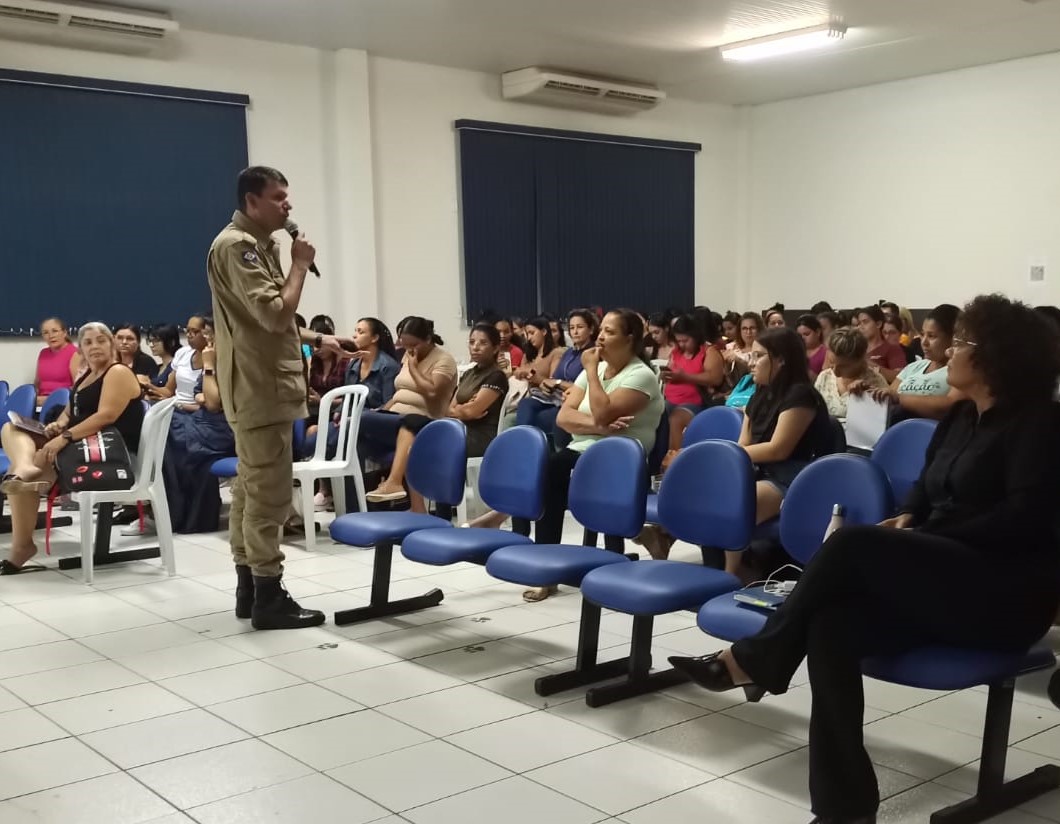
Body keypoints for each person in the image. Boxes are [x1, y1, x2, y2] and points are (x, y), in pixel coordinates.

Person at [669, 294, 1060, 824]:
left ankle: (756, 658)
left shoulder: (1041, 424)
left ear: (996, 358)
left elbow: (1024, 520)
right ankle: (844, 808)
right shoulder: (962, 415)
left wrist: (924, 531)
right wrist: (908, 518)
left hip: (1001, 594)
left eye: (963, 342)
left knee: (852, 542)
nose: (949, 353)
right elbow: (926, 487)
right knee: (831, 628)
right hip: (943, 575)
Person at [207, 165, 323, 630]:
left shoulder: (254, 245)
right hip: (260, 389)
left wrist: (323, 341)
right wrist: (299, 264)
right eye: (278, 197)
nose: (287, 205)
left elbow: (268, 321)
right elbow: (275, 313)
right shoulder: (238, 247)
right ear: (252, 201)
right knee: (269, 495)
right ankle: (269, 595)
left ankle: (248, 589)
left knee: (249, 490)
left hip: (258, 383)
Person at [523, 309, 664, 602]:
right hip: (584, 450)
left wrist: (589, 372)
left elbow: (601, 410)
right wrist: (601, 427)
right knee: (549, 469)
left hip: (623, 457)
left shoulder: (641, 376)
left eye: (610, 332)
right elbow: (563, 418)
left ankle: (619, 555)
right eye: (601, 330)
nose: (600, 337)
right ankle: (547, 571)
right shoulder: (598, 370)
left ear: (630, 338)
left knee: (572, 472)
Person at [0, 322, 144, 574]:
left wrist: (63, 437)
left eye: (101, 340)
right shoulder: (87, 375)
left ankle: (22, 544)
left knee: (24, 471)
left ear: (111, 345)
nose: (95, 346)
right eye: (88, 343)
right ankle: (24, 469)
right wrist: (57, 425)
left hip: (112, 457)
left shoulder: (117, 372)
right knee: (11, 429)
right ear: (81, 350)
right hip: (82, 446)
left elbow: (105, 417)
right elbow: (70, 412)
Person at [366, 324, 509, 506]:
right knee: (413, 437)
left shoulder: (497, 376)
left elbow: (470, 411)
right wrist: (464, 411)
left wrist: (465, 410)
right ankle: (416, 507)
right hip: (458, 429)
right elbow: (451, 409)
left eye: (483, 343)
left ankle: (414, 496)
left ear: (496, 347)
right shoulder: (469, 374)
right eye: (472, 342)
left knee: (416, 431)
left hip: (479, 436)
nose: (475, 347)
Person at [731, 327, 831, 577]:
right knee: (712, 489)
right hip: (760, 471)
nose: (750, 363)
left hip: (792, 477)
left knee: (733, 501)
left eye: (758, 356)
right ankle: (732, 569)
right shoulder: (759, 394)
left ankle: (729, 575)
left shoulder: (800, 395)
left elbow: (778, 449)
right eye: (750, 356)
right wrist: (726, 461)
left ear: (781, 360)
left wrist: (732, 457)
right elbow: (743, 442)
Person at [358, 316, 458, 466]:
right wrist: (381, 410)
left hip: (422, 421)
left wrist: (413, 368)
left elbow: (432, 392)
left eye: (414, 345)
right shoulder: (409, 354)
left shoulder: (443, 360)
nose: (409, 350)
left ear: (428, 339)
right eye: (405, 346)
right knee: (359, 438)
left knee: (362, 419)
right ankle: (360, 487)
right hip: (396, 417)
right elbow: (400, 393)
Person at [160, 339, 235, 533]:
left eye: (213, 339)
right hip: (204, 421)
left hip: (226, 428)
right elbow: (199, 394)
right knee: (165, 432)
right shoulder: (215, 361)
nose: (210, 346)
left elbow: (212, 404)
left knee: (181, 441)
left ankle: (189, 516)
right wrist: (205, 396)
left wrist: (209, 367)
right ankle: (171, 512)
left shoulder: (231, 364)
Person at [514, 309, 599, 441]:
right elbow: (553, 379)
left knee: (542, 418)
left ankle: (528, 447)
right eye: (571, 328)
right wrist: (546, 384)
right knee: (526, 404)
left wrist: (557, 383)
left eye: (580, 327)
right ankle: (523, 445)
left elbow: (586, 385)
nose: (575, 332)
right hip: (554, 396)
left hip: (574, 400)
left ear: (591, 329)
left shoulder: (593, 354)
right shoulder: (569, 353)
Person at [868, 304, 962, 420]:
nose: (924, 342)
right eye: (923, 334)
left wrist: (900, 399)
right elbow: (888, 397)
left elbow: (949, 406)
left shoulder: (959, 371)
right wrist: (864, 391)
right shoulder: (913, 367)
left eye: (932, 336)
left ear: (952, 339)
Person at [661, 314, 724, 461]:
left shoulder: (709, 352)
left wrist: (685, 376)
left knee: (675, 418)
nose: (682, 344)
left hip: (698, 403)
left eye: (686, 340)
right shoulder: (676, 352)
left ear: (695, 337)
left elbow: (715, 378)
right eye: (679, 341)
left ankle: (675, 462)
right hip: (671, 399)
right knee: (658, 414)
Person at [814, 328, 888, 419]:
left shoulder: (876, 382)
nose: (835, 371)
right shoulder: (824, 377)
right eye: (831, 363)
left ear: (861, 360)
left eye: (844, 366)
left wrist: (866, 396)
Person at [155, 316, 207, 407]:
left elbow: (212, 405)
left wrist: (181, 406)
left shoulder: (216, 360)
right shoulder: (183, 353)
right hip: (176, 407)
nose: (189, 335)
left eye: (195, 331)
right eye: (187, 331)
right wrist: (149, 387)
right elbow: (168, 390)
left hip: (196, 413)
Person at [34, 316, 81, 405]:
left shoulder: (74, 353)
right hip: (40, 403)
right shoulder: (43, 353)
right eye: (46, 333)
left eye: (54, 331)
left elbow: (79, 387)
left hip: (63, 403)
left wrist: (50, 399)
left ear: (64, 333)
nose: (51, 336)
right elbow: (37, 384)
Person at [855, 305, 906, 382]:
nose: (860, 327)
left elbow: (899, 377)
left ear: (878, 324)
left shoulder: (892, 349)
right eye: (859, 323)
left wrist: (872, 366)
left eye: (865, 322)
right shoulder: (855, 348)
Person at [514, 316, 563, 389]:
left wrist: (534, 376)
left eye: (532, 333)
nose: (529, 338)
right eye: (527, 334)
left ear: (544, 331)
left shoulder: (556, 353)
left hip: (543, 395)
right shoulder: (527, 355)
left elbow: (553, 382)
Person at [144, 323, 181, 400]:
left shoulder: (177, 366)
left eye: (156, 341)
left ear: (171, 342)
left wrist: (147, 384)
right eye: (150, 341)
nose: (151, 345)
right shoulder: (157, 367)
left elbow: (169, 393)